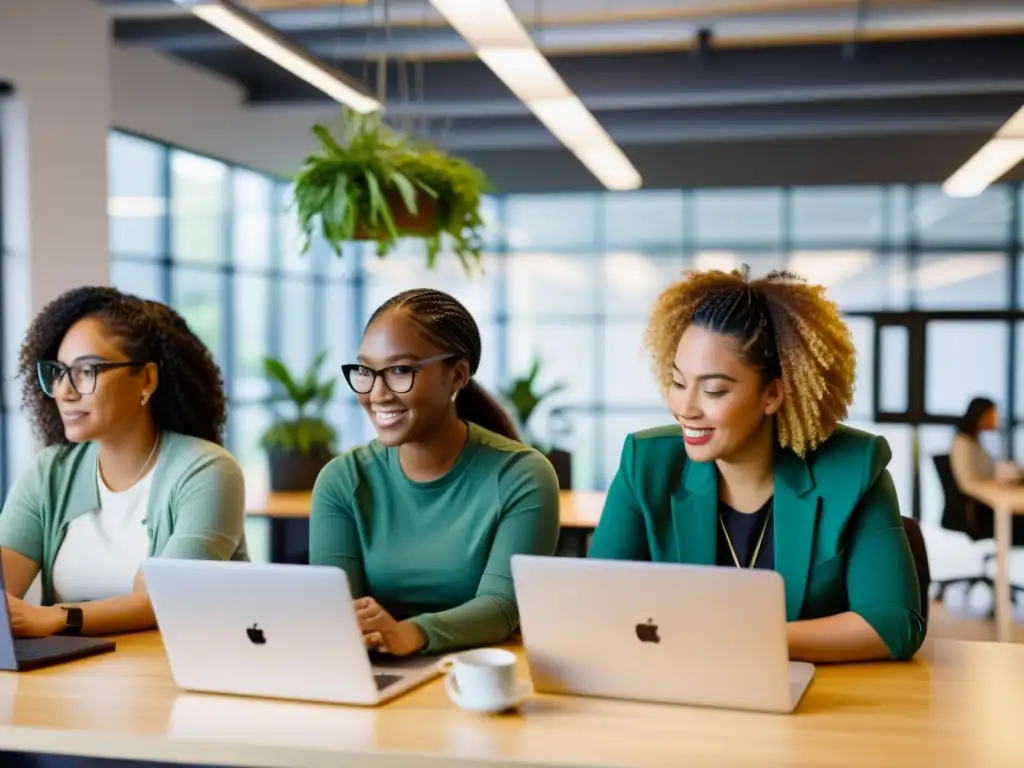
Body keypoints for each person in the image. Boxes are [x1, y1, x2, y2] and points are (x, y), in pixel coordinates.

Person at [588, 266, 925, 663]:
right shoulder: (645, 463)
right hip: (679, 697)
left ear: (773, 393)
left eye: (713, 390)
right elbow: (598, 603)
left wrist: (745, 639)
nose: (685, 408)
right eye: (678, 383)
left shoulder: (854, 470)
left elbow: (894, 624)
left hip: (811, 705)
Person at [309, 288, 560, 656]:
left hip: (482, 674)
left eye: (399, 371)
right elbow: (337, 611)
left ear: (457, 375)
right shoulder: (342, 480)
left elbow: (503, 606)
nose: (377, 394)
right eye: (366, 371)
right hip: (375, 670)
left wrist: (412, 634)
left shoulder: (521, 475)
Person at [0, 287, 248, 639]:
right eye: (58, 371)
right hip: (65, 684)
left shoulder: (206, 470)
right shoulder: (49, 473)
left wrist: (59, 617)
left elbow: (167, 597)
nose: (64, 391)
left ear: (146, 379)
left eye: (86, 371)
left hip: (176, 676)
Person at [950, 397, 1020, 493]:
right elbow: (967, 482)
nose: (996, 419)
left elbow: (991, 467)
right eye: (992, 415)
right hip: (977, 496)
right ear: (980, 415)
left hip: (990, 486)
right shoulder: (963, 443)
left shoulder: (976, 440)